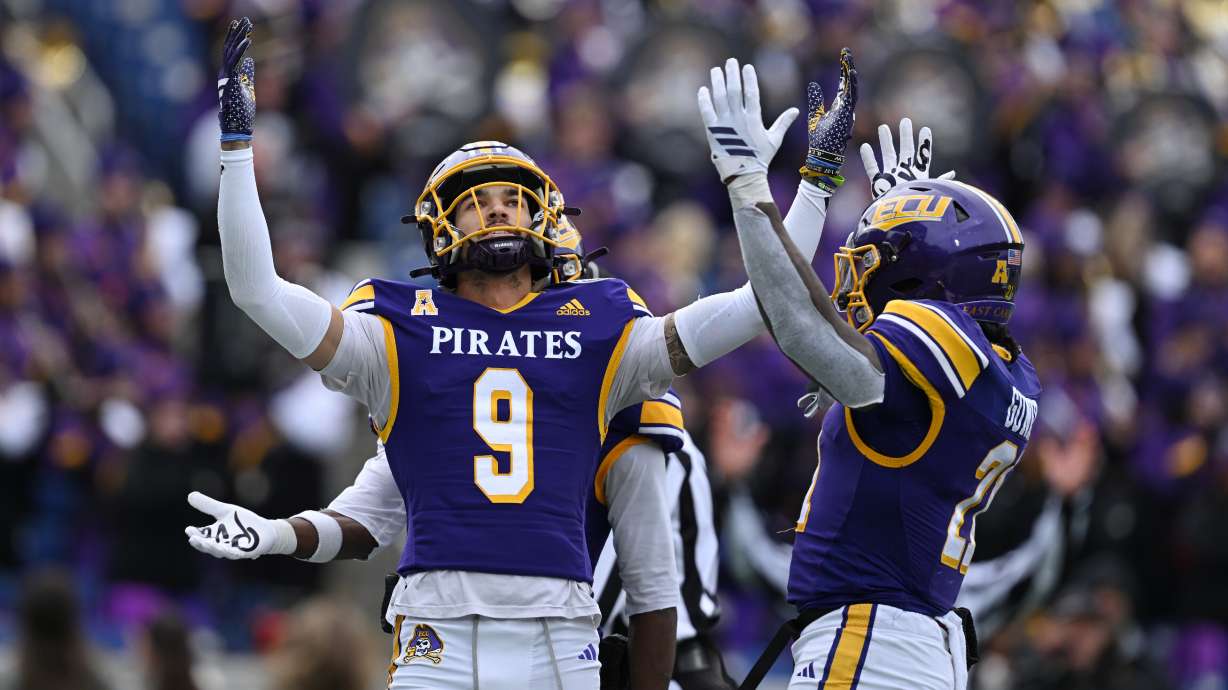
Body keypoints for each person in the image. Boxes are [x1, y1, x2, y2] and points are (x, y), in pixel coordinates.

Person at [189, 16, 854, 689]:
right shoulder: (395, 326)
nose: (498, 211)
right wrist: (237, 148)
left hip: (557, 637)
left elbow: (759, 304)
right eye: (478, 203)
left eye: (513, 199)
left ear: (544, 216)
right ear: (437, 227)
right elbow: (255, 290)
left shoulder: (602, 325)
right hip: (434, 636)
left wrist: (804, 188)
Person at [716, 85, 1039, 688]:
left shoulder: (936, 336)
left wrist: (751, 189)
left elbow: (801, 323)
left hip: (870, 642)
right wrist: (904, 213)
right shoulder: (1008, 370)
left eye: (875, 265)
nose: (858, 282)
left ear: (928, 277)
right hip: (913, 645)